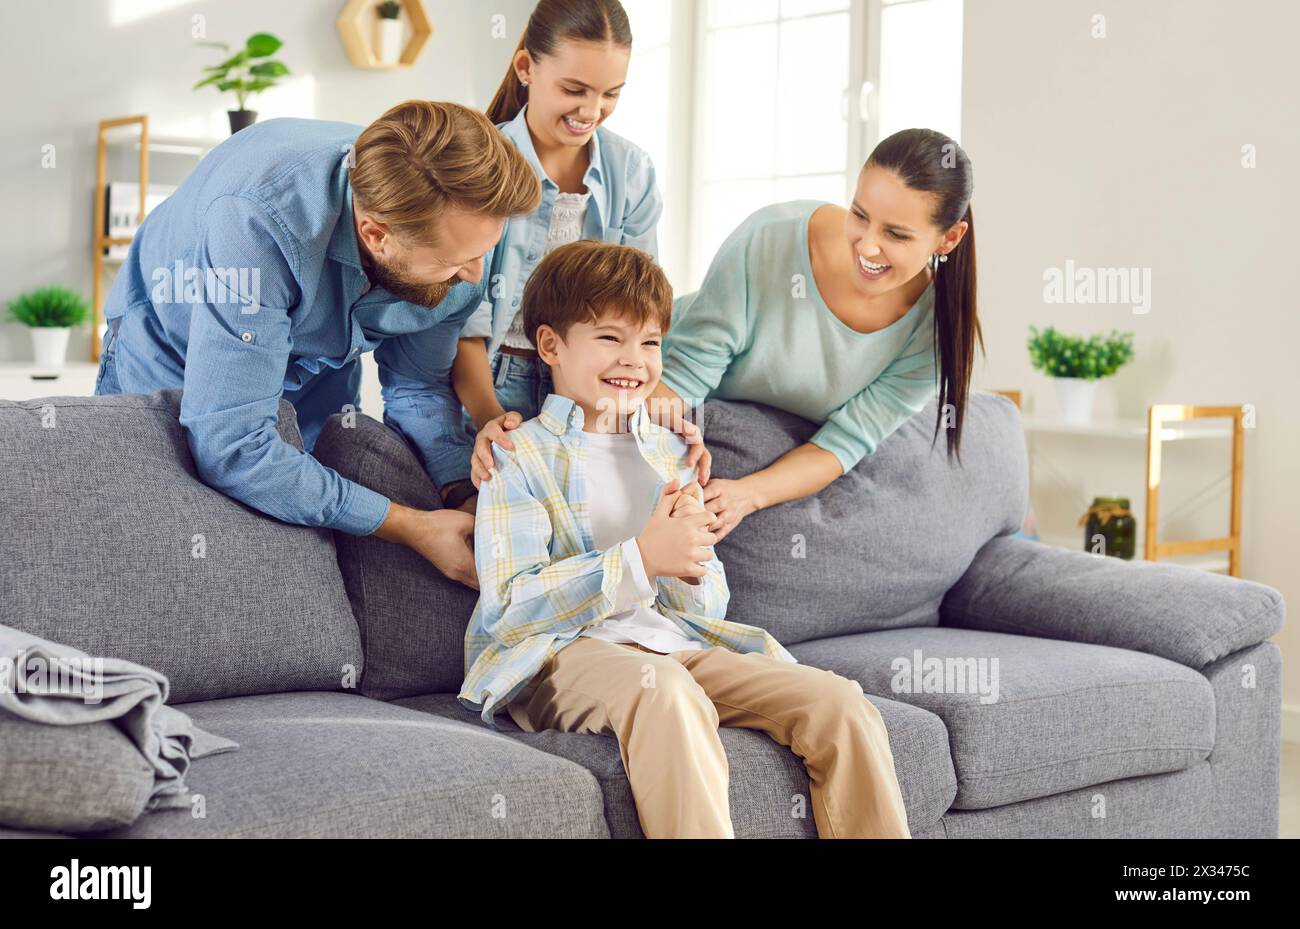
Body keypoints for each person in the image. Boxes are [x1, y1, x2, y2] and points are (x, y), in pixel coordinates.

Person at [457, 240, 913, 839]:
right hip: (556, 656)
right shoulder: (518, 455)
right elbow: (511, 608)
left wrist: (688, 567)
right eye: (609, 338)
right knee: (665, 688)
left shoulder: (669, 450)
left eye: (649, 342)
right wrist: (640, 559)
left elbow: (702, 607)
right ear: (551, 346)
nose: (634, 360)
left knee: (840, 702)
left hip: (670, 641)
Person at [94, 100, 541, 588]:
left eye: (483, 252)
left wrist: (463, 493)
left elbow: (418, 389)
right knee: (162, 560)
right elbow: (235, 448)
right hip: (169, 350)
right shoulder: (257, 224)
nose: (476, 277)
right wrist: (408, 526)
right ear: (376, 235)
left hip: (318, 369)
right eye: (455, 262)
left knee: (303, 547)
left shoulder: (460, 251)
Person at [468, 129, 981, 544]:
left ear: (949, 238)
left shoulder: (936, 334)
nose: (866, 245)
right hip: (639, 386)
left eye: (896, 234)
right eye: (860, 215)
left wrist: (746, 495)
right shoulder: (771, 238)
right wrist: (539, 444)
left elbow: (847, 442)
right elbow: (685, 375)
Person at [438, 0, 664, 513]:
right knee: (500, 522)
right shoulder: (481, 164)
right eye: (574, 89)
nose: (592, 111)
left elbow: (639, 316)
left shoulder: (632, 172)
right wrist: (494, 424)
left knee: (603, 523)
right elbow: (462, 327)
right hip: (491, 382)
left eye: (610, 94)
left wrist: (664, 430)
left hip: (589, 387)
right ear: (526, 69)